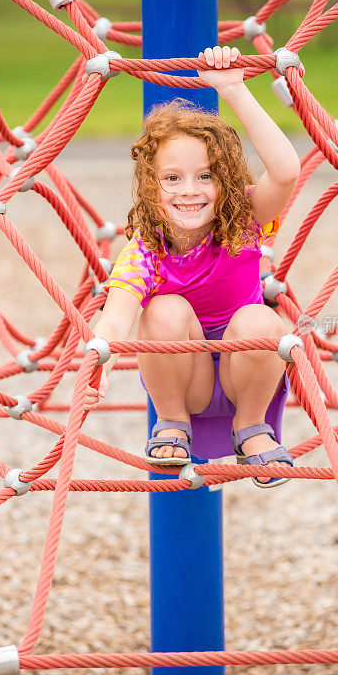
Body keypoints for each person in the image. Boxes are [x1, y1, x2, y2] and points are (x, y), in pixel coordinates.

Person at [84, 45, 300, 487]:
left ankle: (251, 428)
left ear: (227, 183)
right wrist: (101, 353)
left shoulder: (244, 224)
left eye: (206, 176)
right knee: (162, 311)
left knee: (262, 319)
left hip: (249, 375)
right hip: (187, 382)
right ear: (149, 186)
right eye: (172, 178)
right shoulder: (145, 250)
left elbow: (285, 172)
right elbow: (118, 312)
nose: (190, 191)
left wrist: (234, 90)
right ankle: (171, 420)